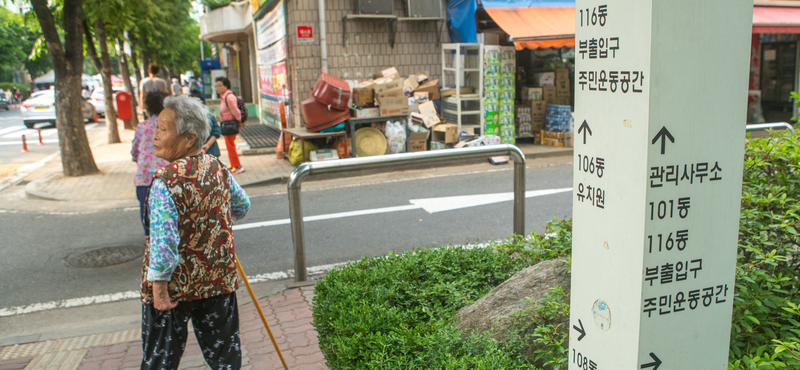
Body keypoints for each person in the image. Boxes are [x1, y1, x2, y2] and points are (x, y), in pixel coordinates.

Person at [141, 95, 250, 369]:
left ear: (189, 138)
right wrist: (218, 218)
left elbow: (164, 242)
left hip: (175, 289)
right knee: (225, 359)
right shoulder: (219, 169)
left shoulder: (165, 181)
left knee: (160, 360)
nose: (155, 135)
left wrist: (159, 290)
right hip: (217, 280)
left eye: (163, 130)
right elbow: (242, 205)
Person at [131, 91, 170, 235]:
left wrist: (138, 158)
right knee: (168, 209)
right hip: (166, 175)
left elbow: (135, 151)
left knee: (145, 209)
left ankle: (149, 239)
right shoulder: (171, 127)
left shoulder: (142, 126)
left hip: (144, 175)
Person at [215, 77, 245, 174]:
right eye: (216, 86)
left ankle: (237, 166)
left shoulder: (229, 97)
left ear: (226, 86)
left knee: (230, 146)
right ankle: (233, 164)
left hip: (230, 125)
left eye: (220, 85)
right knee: (229, 145)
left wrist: (240, 121)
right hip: (226, 124)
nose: (217, 88)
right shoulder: (224, 96)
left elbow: (235, 111)